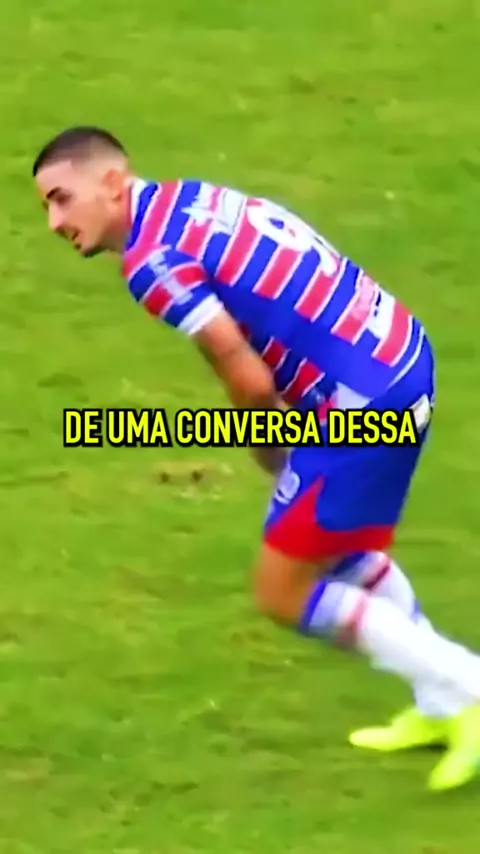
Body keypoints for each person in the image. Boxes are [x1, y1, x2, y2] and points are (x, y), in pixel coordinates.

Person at [32, 125, 480, 791]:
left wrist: (269, 444)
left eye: (62, 199)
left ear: (113, 183)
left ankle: (466, 687)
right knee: (339, 550)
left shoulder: (152, 261)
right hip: (398, 355)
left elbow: (242, 371)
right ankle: (443, 705)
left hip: (361, 403)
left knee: (282, 590)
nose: (54, 222)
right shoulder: (191, 198)